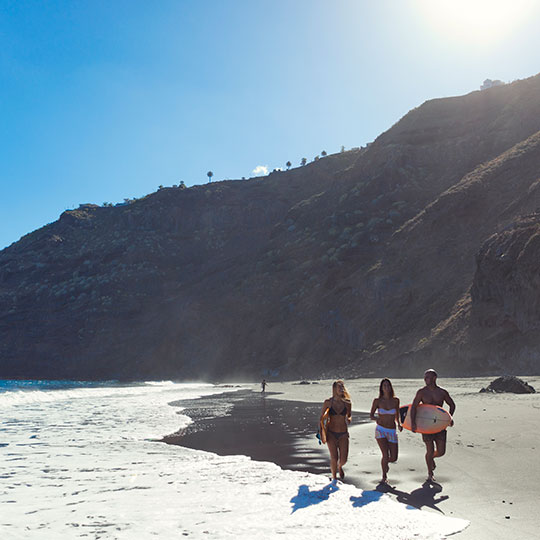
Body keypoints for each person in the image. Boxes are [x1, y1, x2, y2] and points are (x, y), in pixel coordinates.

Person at [411, 369, 456, 482]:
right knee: (429, 450)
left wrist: (449, 417)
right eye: (425, 377)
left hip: (439, 425)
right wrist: (413, 423)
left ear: (434, 378)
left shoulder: (442, 392)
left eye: (428, 377)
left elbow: (452, 404)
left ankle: (431, 459)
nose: (425, 380)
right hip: (426, 426)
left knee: (441, 452)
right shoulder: (421, 392)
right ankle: (430, 474)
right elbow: (413, 407)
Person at [370, 378, 402, 484]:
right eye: (384, 386)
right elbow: (371, 416)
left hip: (392, 430)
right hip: (381, 430)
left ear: (391, 387)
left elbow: (397, 415)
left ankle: (385, 464)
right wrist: (377, 419)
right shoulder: (377, 401)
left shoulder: (396, 400)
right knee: (385, 454)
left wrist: (399, 424)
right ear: (381, 388)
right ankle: (384, 476)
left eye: (388, 385)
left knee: (393, 457)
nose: (386, 387)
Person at [320, 380, 352, 481]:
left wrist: (349, 419)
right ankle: (334, 478)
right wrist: (322, 432)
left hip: (343, 434)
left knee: (344, 459)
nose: (342, 389)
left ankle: (339, 466)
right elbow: (322, 418)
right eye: (339, 387)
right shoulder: (328, 403)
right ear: (334, 389)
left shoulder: (347, 403)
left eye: (342, 387)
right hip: (331, 434)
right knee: (334, 457)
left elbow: (349, 416)